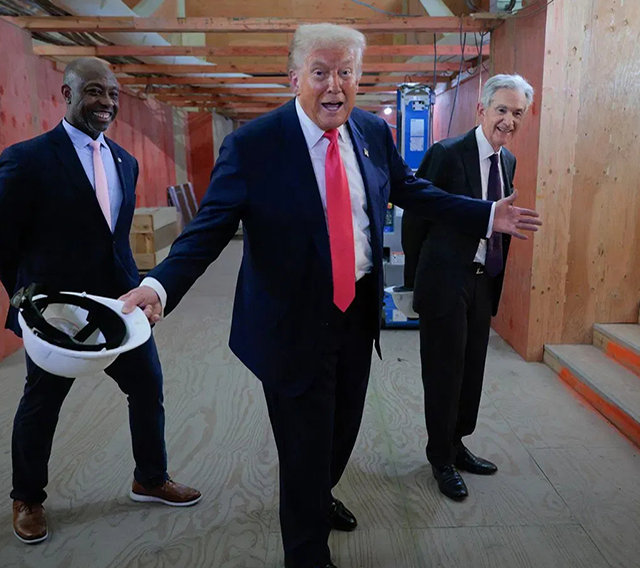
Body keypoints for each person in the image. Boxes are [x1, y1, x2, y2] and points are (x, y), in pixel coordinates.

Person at [119, 24, 541, 568]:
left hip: (356, 313)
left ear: (359, 78)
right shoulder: (254, 145)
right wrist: (159, 284)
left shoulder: (370, 130)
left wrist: (484, 214)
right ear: (294, 77)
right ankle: (306, 551)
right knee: (303, 448)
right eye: (320, 72)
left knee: (342, 430)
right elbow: (208, 229)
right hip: (290, 321)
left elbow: (412, 189)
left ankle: (320, 496)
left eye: (346, 73)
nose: (334, 86)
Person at [0, 57, 202, 546]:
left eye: (113, 94)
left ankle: (150, 478)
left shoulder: (125, 161)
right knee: (42, 402)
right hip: (56, 312)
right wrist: (25, 300)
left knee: (147, 388)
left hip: (118, 304)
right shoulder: (28, 159)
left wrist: (139, 290)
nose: (106, 103)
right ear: (67, 93)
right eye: (95, 92)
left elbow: (114, 239)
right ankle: (27, 498)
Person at [402, 74, 534, 502]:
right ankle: (440, 457)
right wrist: (413, 283)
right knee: (444, 371)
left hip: (482, 279)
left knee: (471, 369)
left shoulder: (507, 161)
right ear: (481, 110)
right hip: (444, 280)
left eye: (518, 113)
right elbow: (416, 218)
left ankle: (457, 443)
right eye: (502, 110)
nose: (509, 120)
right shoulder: (446, 154)